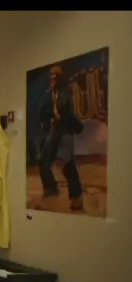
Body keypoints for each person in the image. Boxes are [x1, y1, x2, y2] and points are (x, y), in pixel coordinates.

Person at [38, 65, 84, 211]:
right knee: (43, 160)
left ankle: (76, 197)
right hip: (55, 130)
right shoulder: (48, 94)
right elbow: (42, 112)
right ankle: (51, 188)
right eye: (51, 76)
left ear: (60, 78)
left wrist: (76, 125)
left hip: (65, 130)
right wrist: (51, 116)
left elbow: (65, 111)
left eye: (55, 76)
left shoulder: (65, 92)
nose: (52, 79)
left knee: (67, 163)